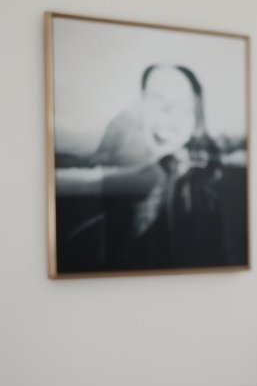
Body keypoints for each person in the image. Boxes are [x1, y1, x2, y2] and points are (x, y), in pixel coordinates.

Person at [54, 64, 242, 271]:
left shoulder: (206, 180)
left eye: (182, 107)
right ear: (142, 105)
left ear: (196, 115)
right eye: (156, 101)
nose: (167, 117)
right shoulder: (145, 163)